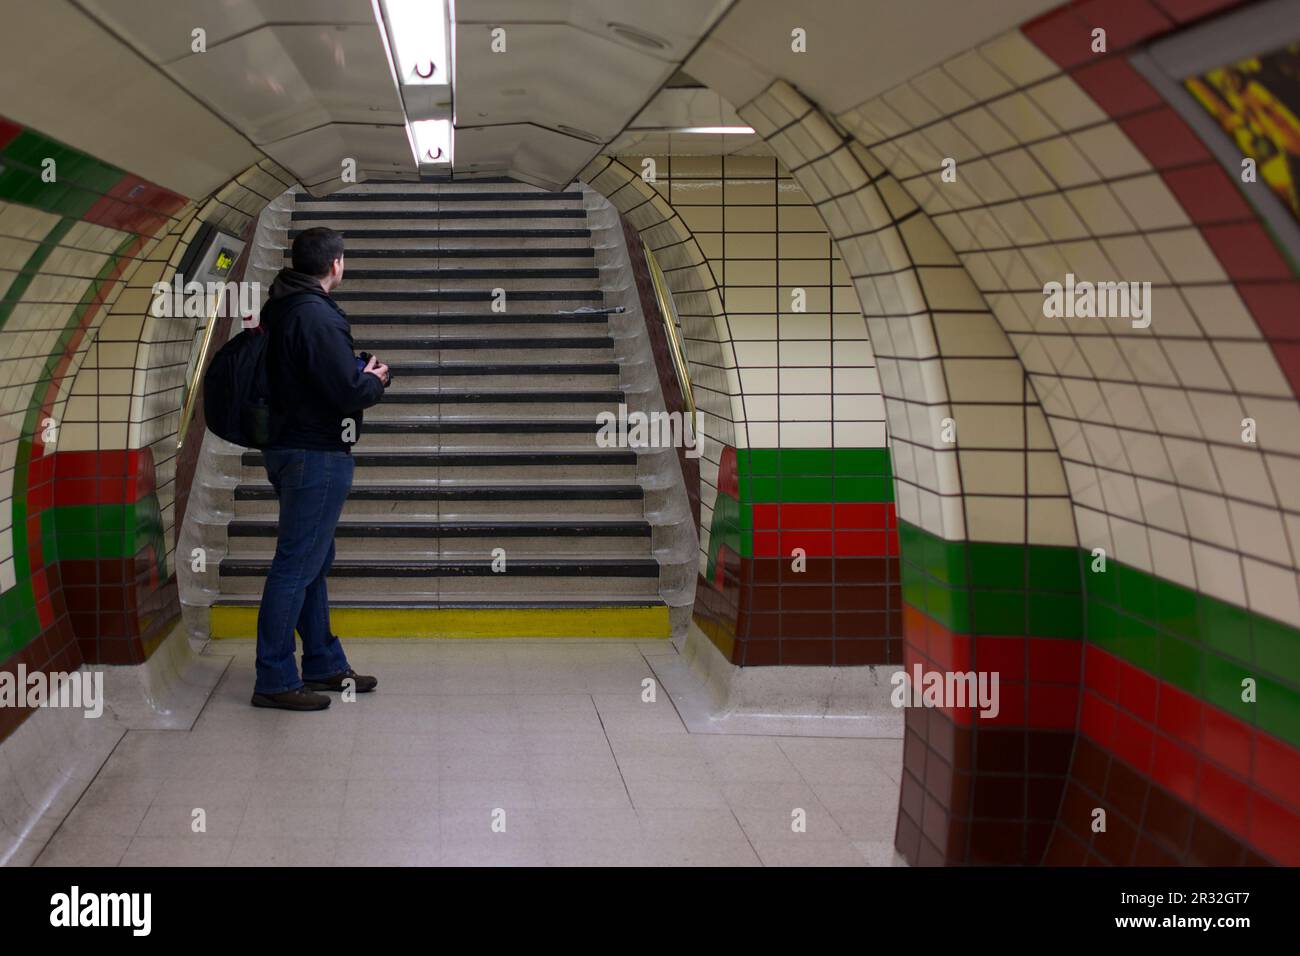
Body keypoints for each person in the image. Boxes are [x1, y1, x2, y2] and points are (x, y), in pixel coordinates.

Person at [250, 226, 389, 711]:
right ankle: (274, 677)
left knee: (312, 560)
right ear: (336, 264)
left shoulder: (281, 306)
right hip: (316, 453)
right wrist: (375, 379)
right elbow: (346, 393)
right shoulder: (317, 315)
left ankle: (322, 662)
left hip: (286, 446)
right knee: (295, 566)